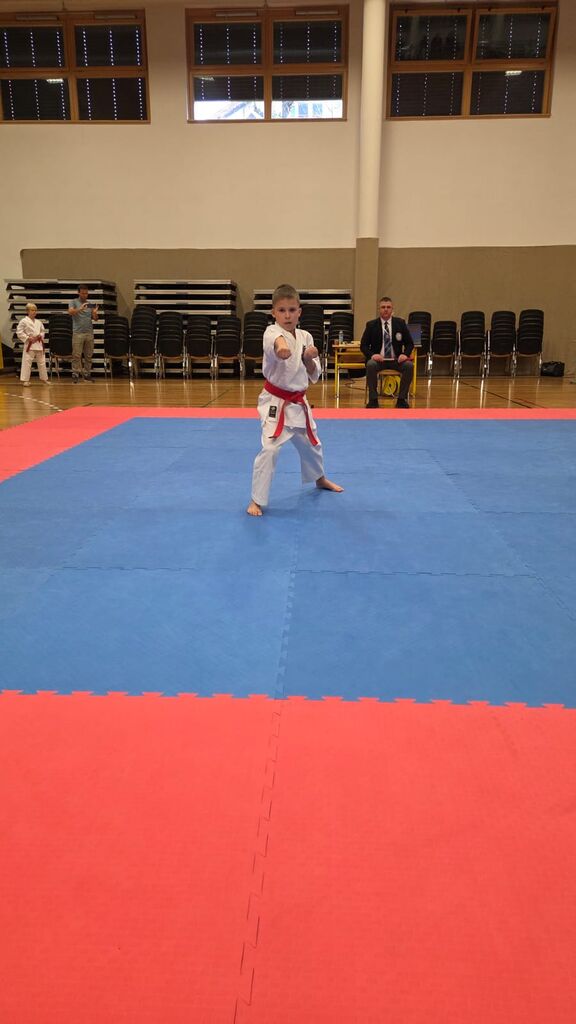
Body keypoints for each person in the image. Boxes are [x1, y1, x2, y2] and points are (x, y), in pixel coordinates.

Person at [247, 284, 343, 516]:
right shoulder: (271, 332)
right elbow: (277, 342)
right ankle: (256, 500)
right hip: (275, 402)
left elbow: (313, 375)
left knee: (312, 445)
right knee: (270, 449)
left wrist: (308, 358)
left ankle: (319, 479)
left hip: (299, 402)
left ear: (299, 312)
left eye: (292, 310)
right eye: (282, 310)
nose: (287, 315)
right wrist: (282, 348)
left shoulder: (305, 336)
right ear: (274, 312)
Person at [361, 296, 414, 409]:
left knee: (409, 366)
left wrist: (405, 354)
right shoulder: (371, 325)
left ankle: (401, 399)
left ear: (392, 309)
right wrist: (372, 355)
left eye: (388, 307)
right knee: (370, 364)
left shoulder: (400, 323)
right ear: (379, 309)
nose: (386, 309)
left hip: (396, 360)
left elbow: (410, 343)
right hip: (379, 361)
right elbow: (363, 346)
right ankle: (373, 399)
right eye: (383, 307)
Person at [68, 284, 99, 383]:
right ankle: (75, 374)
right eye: (83, 293)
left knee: (88, 355)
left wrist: (95, 313)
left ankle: (87, 374)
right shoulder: (73, 302)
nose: (85, 295)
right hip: (78, 333)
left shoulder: (90, 304)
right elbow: (70, 312)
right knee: (76, 355)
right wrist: (80, 309)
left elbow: (95, 319)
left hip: (89, 332)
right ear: (79, 293)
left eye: (86, 293)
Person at [16, 303, 50, 387]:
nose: (34, 312)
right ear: (27, 311)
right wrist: (28, 338)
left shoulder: (39, 322)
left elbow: (42, 331)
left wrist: (40, 336)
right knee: (27, 363)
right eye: (32, 310)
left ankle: (44, 379)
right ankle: (25, 380)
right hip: (30, 344)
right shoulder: (24, 321)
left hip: (39, 344)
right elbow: (19, 332)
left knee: (42, 363)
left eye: (35, 310)